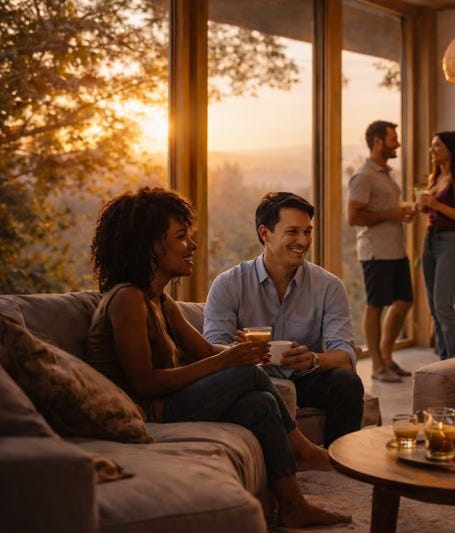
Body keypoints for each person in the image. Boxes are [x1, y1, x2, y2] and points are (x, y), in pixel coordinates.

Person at [85, 187, 349, 528]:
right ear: (151, 245)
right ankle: (305, 450)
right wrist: (231, 361)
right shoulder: (127, 299)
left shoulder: (160, 301)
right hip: (144, 411)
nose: (193, 246)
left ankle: (293, 504)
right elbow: (144, 383)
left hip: (166, 401)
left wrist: (245, 351)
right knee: (249, 376)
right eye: (181, 237)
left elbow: (209, 351)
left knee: (259, 405)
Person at [204, 191, 364, 447]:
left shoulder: (329, 286)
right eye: (292, 232)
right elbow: (213, 349)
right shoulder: (229, 284)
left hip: (305, 377)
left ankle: (340, 463)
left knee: (347, 383)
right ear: (265, 233)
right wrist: (241, 352)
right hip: (250, 379)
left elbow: (344, 355)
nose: (303, 240)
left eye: (308, 231)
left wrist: (312, 359)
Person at [347, 120, 415, 383]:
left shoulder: (385, 174)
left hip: (395, 249)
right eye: (392, 139)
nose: (397, 143)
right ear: (378, 141)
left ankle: (386, 356)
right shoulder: (363, 176)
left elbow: (385, 211)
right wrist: (393, 213)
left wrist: (399, 215)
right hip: (375, 252)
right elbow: (353, 216)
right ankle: (376, 365)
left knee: (404, 301)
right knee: (375, 305)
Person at [417, 131, 455, 359]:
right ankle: (443, 362)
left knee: (444, 307)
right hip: (430, 240)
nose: (432, 150)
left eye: (437, 146)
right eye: (432, 146)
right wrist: (425, 207)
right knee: (434, 309)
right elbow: (434, 209)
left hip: (450, 242)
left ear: (451, 149)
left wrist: (435, 204)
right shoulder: (435, 177)